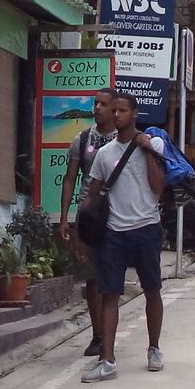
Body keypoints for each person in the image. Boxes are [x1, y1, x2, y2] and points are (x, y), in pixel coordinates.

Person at [80, 92, 166, 383]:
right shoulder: (105, 154)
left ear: (135, 114)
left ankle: (154, 348)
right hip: (114, 231)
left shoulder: (153, 144)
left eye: (121, 111)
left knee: (152, 290)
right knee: (110, 294)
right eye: (112, 110)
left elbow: (158, 187)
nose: (115, 116)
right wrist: (83, 230)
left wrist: (148, 151)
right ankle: (107, 360)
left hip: (146, 228)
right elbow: (93, 193)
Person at [58, 89, 117, 358]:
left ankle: (108, 332)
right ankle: (97, 334)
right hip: (89, 215)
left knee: (110, 277)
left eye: (103, 104)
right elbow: (70, 179)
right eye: (95, 103)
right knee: (91, 278)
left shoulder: (123, 139)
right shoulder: (82, 140)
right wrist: (65, 219)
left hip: (117, 215)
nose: (97, 108)